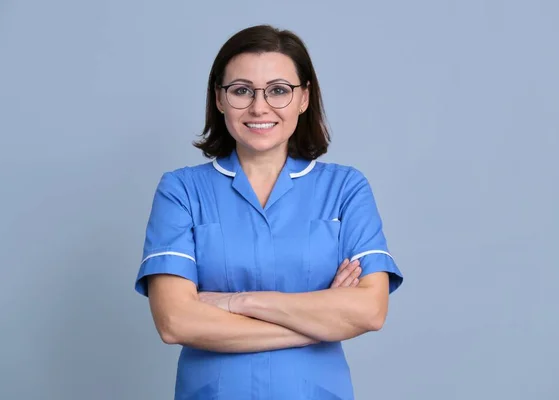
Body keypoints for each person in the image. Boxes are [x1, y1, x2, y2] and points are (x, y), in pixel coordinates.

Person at [134, 24, 403, 400]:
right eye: (241, 90)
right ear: (220, 99)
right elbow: (176, 321)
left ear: (304, 98)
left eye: (279, 90)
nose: (260, 107)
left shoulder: (345, 188)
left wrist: (236, 302)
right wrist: (321, 320)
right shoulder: (181, 190)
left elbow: (370, 311)